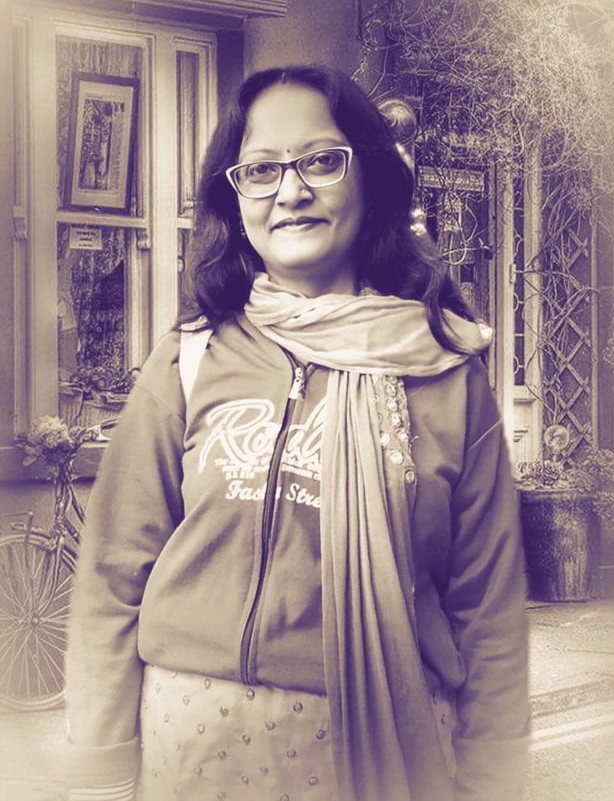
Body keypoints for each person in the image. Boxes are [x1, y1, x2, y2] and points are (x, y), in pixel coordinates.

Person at [64, 64, 530, 801]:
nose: (290, 191)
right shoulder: (191, 357)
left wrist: (493, 784)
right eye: (261, 169)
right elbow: (111, 576)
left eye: (320, 160)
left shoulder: (446, 376)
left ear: (370, 177)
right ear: (235, 195)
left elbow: (490, 615)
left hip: (374, 758)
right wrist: (99, 769)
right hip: (188, 756)